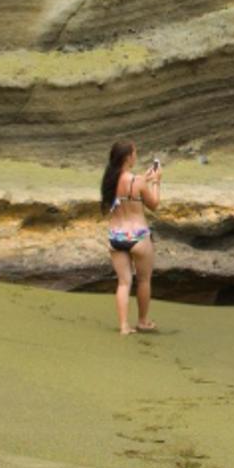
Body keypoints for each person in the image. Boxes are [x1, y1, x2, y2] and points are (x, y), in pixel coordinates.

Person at [100, 140, 161, 335]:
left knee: (124, 283)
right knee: (143, 281)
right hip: (138, 235)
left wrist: (144, 178)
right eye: (135, 153)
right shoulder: (137, 182)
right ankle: (142, 321)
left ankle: (124, 326)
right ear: (128, 157)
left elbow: (125, 188)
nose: (136, 156)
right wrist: (157, 181)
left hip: (116, 235)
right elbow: (154, 204)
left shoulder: (109, 180)